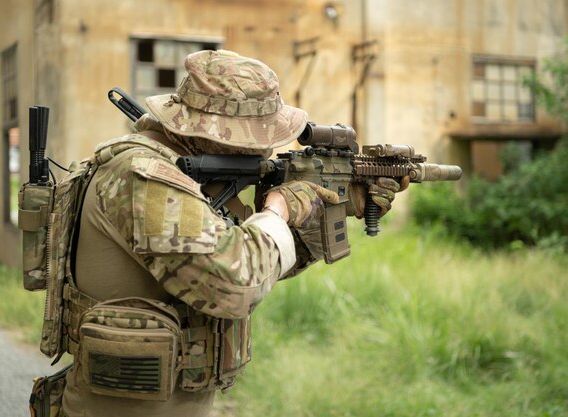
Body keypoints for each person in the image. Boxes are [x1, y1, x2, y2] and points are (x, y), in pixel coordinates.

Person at [59, 49, 405, 417]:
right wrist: (279, 209)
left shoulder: (188, 177)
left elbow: (259, 259)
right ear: (213, 132)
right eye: (257, 136)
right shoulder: (143, 177)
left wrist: (333, 205)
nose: (265, 148)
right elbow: (236, 283)